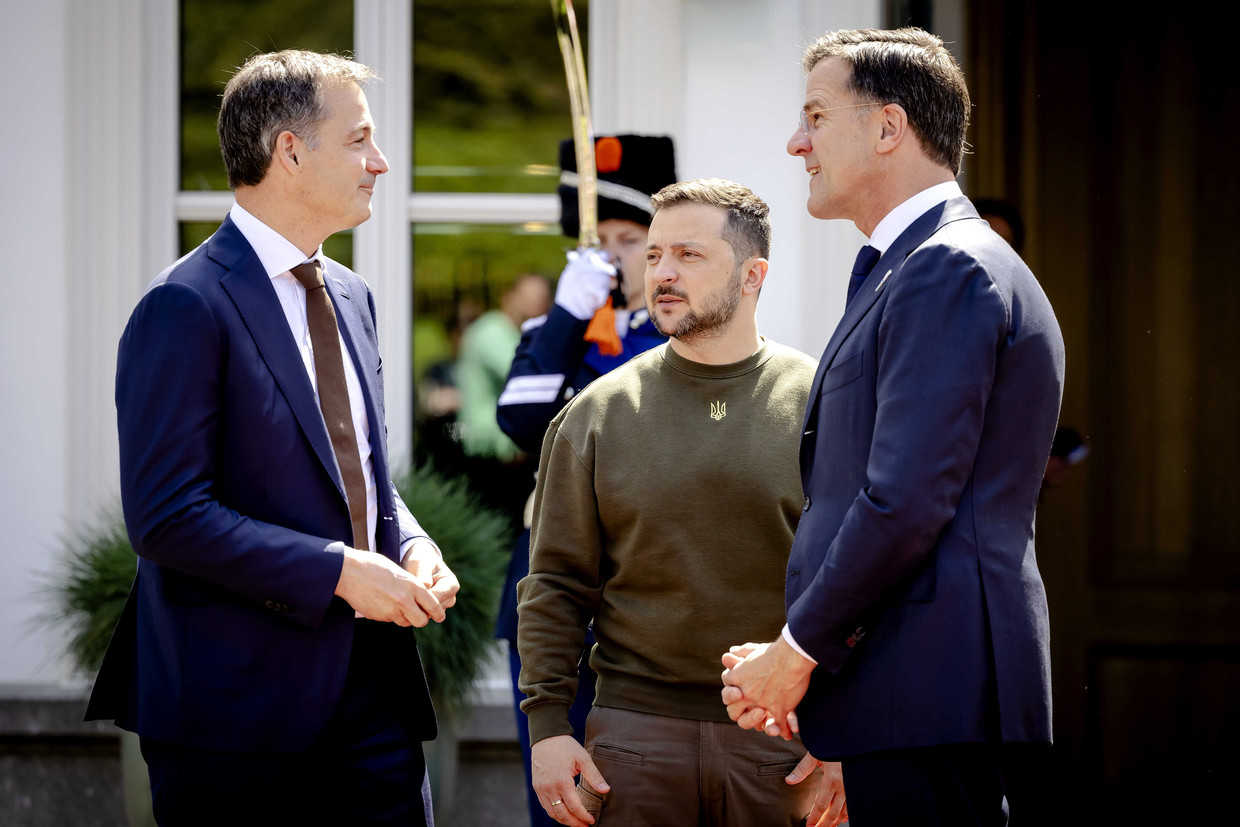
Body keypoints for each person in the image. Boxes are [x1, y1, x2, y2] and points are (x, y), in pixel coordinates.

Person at [84, 50, 458, 825]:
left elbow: (357, 471)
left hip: (376, 701)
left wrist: (413, 541)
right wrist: (339, 570)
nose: (380, 163)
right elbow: (167, 515)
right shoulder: (183, 305)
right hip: (236, 720)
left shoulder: (352, 295)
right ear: (290, 150)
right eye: (359, 140)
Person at [719, 28, 1065, 827]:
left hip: (931, 693)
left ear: (887, 128)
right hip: (911, 690)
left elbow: (905, 498)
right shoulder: (914, 262)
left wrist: (798, 650)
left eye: (814, 115)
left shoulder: (946, 266)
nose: (795, 141)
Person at [517, 179, 845, 827]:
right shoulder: (595, 415)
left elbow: (865, 580)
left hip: (788, 738)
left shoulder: (826, 404)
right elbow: (554, 581)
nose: (662, 273)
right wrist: (548, 726)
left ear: (753, 275)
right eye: (656, 254)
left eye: (689, 256)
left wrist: (849, 739)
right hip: (633, 742)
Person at [492, 134, 675, 827]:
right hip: (554, 596)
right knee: (560, 799)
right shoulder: (553, 330)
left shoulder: (675, 336)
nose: (612, 255)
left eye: (630, 238)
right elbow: (520, 419)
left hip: (644, 594)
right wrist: (568, 317)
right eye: (598, 239)